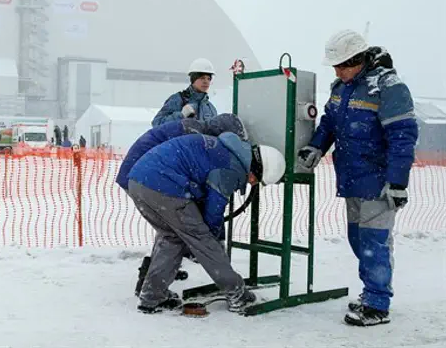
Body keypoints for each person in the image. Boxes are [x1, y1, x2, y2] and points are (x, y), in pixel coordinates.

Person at [297, 30, 418, 327]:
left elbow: (402, 137)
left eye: (342, 65)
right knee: (358, 239)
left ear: (358, 60)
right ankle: (372, 292)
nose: (337, 71)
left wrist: (398, 182)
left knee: (374, 242)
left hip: (378, 181)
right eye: (335, 66)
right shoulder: (341, 87)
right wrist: (316, 146)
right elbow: (329, 123)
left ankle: (377, 303)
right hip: (351, 179)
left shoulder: (388, 88)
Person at [126, 131, 285, 314]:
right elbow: (213, 212)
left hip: (139, 181)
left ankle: (152, 297)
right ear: (257, 168)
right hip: (165, 186)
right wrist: (216, 239)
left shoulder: (228, 150)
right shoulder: (232, 169)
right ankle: (236, 293)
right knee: (203, 239)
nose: (252, 183)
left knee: (172, 237)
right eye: (256, 180)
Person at [116, 114, 249, 296]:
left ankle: (153, 288)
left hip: (142, 174)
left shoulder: (197, 132)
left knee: (172, 233)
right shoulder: (193, 132)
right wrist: (213, 237)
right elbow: (180, 166)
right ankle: (151, 283)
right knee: (185, 230)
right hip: (152, 176)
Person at [151, 58, 218, 126]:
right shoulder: (177, 100)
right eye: (202, 78)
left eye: (209, 79)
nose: (206, 82)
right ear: (193, 79)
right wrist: (181, 115)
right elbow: (157, 124)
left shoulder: (210, 108)